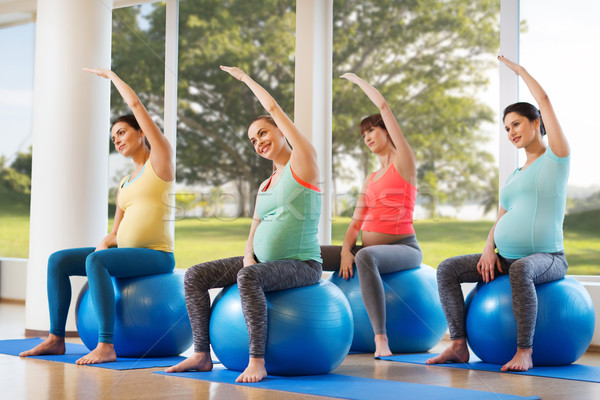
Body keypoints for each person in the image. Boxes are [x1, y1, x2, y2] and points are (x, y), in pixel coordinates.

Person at [165, 65, 322, 383]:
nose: (258, 142)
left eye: (263, 133)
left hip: (301, 264)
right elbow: (256, 223)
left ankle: (257, 360)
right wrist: (248, 253)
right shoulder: (265, 184)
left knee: (248, 278)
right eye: (253, 140)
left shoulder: (303, 163)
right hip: (260, 263)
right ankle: (200, 354)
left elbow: (274, 108)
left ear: (279, 131)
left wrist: (246, 79)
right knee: (195, 276)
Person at [19, 68, 176, 365]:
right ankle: (55, 338)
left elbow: (136, 107)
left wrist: (114, 77)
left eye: (122, 132)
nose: (116, 139)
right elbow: (115, 232)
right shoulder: (124, 183)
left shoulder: (161, 162)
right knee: (59, 260)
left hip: (156, 255)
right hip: (127, 252)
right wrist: (105, 243)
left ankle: (106, 345)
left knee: (96, 261)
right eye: (113, 136)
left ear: (141, 133)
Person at [426, 56, 570, 372]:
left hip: (547, 257)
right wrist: (489, 248)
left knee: (521, 270)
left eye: (516, 124)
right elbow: (502, 216)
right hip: (503, 258)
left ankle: (524, 351)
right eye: (506, 128)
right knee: (447, 269)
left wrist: (521, 72)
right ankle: (459, 345)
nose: (511, 132)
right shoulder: (515, 173)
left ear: (536, 122)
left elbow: (544, 101)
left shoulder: (556, 160)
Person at [321, 73, 423, 357]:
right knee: (312, 253)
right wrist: (344, 249)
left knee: (365, 256)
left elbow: (385, 108)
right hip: (369, 248)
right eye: (363, 135)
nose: (366, 137)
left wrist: (359, 82)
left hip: (404, 248)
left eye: (371, 130)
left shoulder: (404, 162)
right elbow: (355, 224)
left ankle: (381, 340)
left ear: (386, 132)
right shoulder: (371, 178)